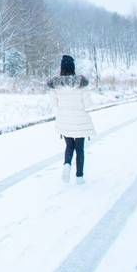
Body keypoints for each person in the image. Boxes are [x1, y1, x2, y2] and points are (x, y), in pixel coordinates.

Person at [47, 55, 96, 184]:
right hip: (80, 120)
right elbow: (88, 104)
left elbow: (54, 104)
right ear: (73, 68)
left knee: (69, 146)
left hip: (64, 121)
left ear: (62, 68)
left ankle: (67, 165)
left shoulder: (55, 85)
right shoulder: (81, 84)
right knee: (80, 148)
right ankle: (79, 177)